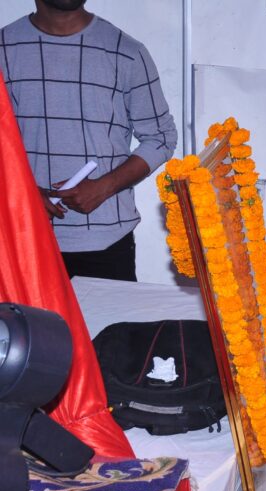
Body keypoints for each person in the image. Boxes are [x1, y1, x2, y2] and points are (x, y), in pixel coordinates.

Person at [0, 0, 177, 281]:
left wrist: (104, 187)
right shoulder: (4, 49)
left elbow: (161, 136)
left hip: (106, 242)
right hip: (20, 237)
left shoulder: (126, 52)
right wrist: (21, 192)